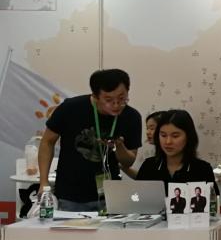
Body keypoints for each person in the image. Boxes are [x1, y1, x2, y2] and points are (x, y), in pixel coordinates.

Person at [37, 68, 143, 212]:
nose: (116, 105)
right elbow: (47, 142)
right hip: (70, 195)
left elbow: (128, 161)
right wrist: (43, 181)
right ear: (95, 95)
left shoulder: (131, 117)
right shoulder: (71, 108)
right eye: (109, 100)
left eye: (122, 98)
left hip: (110, 195)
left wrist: (119, 146)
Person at [136, 109, 218, 196]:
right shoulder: (148, 166)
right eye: (163, 135)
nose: (168, 142)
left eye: (175, 136)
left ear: (188, 136)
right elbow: (137, 199)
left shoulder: (202, 170)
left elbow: (213, 202)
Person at [125, 111, 162, 179]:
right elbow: (143, 178)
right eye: (147, 128)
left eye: (152, 128)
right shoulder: (149, 161)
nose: (147, 132)